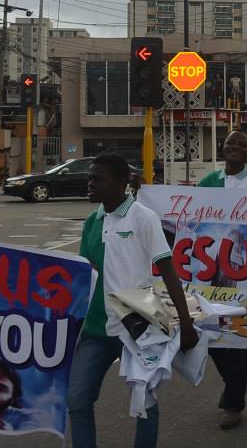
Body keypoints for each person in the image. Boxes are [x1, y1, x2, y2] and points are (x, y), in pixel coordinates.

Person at [68, 152, 199, 448]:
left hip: (137, 326)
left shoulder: (143, 218)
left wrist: (186, 323)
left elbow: (168, 271)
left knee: (144, 402)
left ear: (121, 183)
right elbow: (84, 275)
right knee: (77, 399)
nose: (91, 184)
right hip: (96, 328)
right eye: (90, 178)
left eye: (98, 179)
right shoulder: (92, 222)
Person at [196, 131, 247, 430]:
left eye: (242, 144)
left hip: (245, 269)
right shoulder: (208, 181)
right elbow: (190, 216)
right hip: (211, 268)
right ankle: (233, 387)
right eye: (231, 143)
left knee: (239, 338)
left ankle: (233, 404)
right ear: (223, 147)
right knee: (210, 334)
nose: (235, 147)